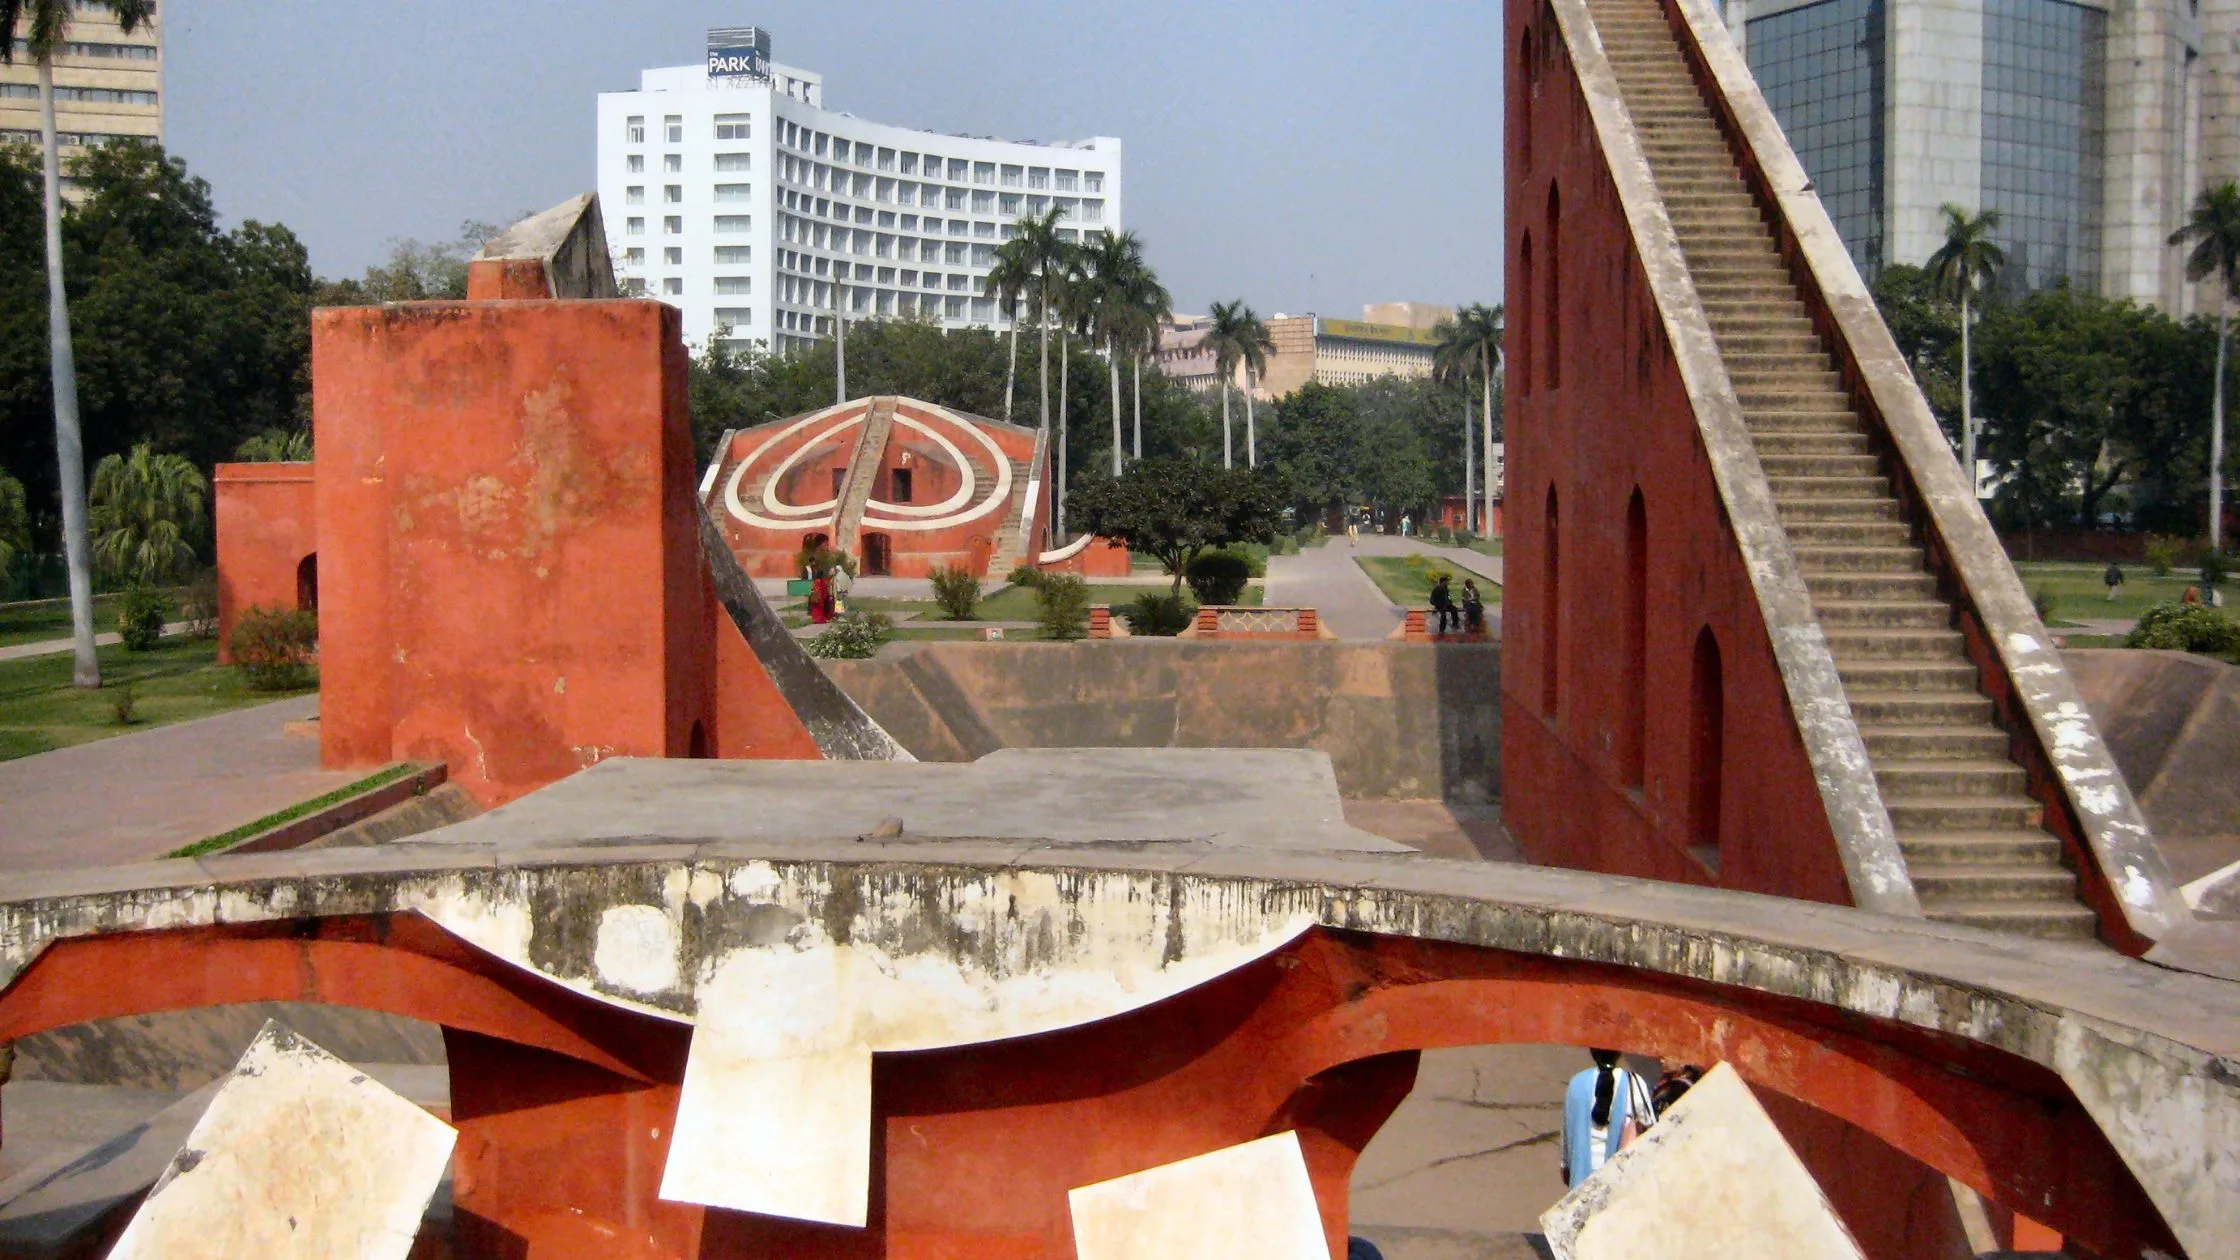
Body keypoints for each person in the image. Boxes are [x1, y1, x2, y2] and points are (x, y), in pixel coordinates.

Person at [1561, 1049, 1655, 1188]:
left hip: (1580, 1183)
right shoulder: (1634, 1083)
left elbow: (1567, 1140)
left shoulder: (1576, 1084)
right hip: (1620, 1184)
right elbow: (1651, 1130)